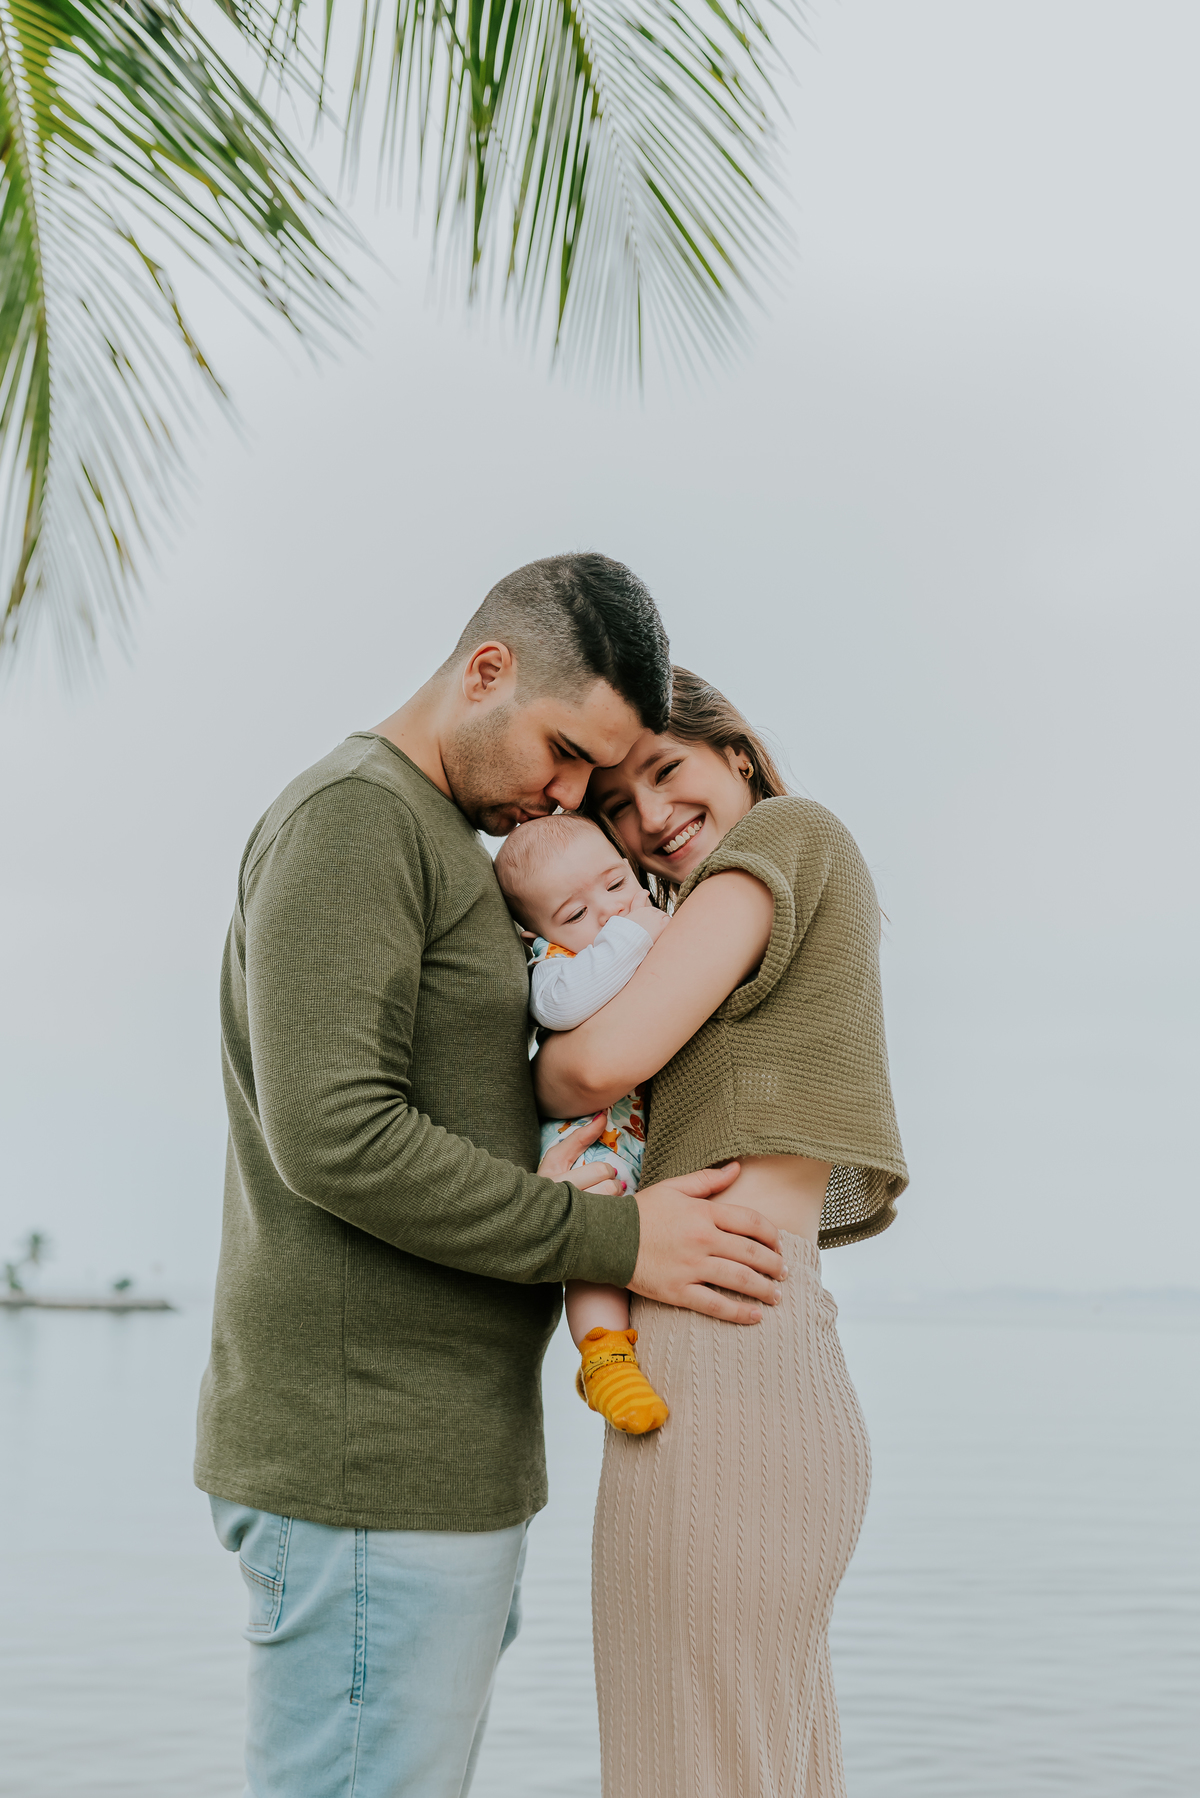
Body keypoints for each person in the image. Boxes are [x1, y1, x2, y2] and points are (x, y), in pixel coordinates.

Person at [194, 562, 789, 1798]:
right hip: (368, 1471)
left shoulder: (455, 849)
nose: (569, 799)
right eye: (565, 753)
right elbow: (338, 1136)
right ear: (486, 670)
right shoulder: (357, 819)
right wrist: (616, 1242)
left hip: (440, 1467)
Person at [535, 666, 909, 1798]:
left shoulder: (787, 836)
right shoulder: (664, 934)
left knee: (688, 1762)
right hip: (745, 1350)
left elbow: (595, 1063)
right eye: (615, 807)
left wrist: (546, 1070)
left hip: (721, 1354)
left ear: (733, 753)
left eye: (666, 770)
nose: (649, 816)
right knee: (760, 1761)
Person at [494, 811, 672, 1435]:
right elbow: (562, 1003)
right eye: (573, 912)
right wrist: (639, 930)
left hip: (654, 1136)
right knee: (593, 1247)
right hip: (594, 1137)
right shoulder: (558, 963)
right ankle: (603, 1357)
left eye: (615, 884)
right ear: (534, 931)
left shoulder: (655, 919)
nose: (607, 912)